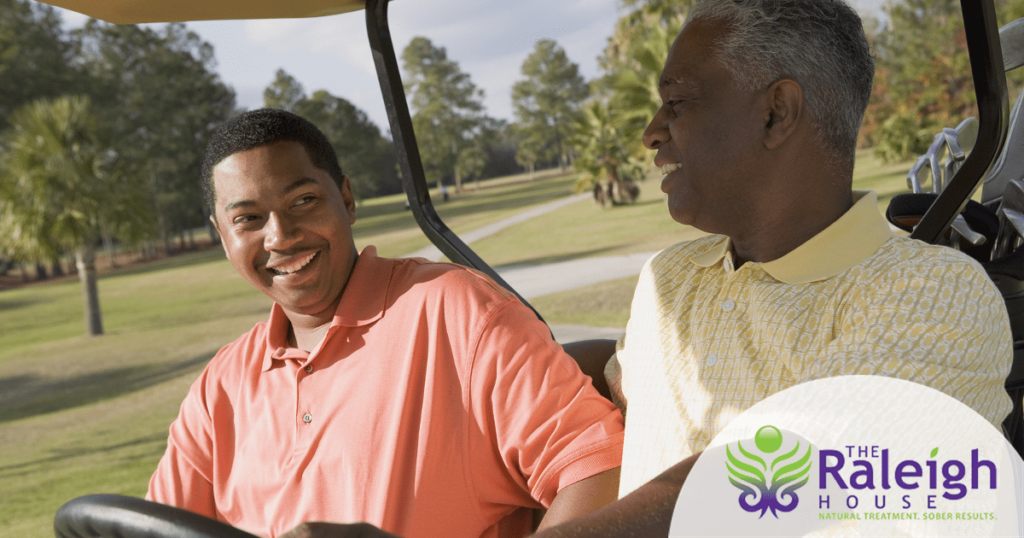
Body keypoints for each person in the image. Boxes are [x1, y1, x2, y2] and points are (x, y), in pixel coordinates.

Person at [313, 1, 1015, 536]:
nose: (651, 132)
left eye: (676, 104)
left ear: (777, 114)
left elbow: (767, 480)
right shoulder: (674, 279)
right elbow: (623, 383)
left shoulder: (934, 296)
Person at [146, 108, 624, 538]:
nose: (280, 236)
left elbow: (600, 469)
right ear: (222, 235)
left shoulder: (456, 312)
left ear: (347, 199)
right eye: (248, 219)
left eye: (303, 202)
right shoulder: (220, 388)